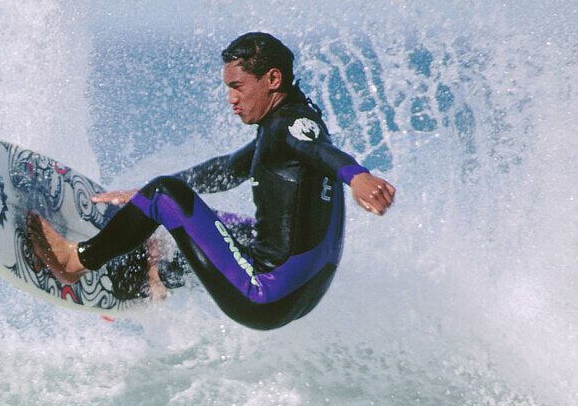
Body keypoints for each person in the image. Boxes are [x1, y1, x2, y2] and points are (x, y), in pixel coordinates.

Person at [28, 32, 396, 330]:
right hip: (302, 297)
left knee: (165, 194)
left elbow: (320, 152)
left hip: (263, 295)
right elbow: (226, 168)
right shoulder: (285, 124)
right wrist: (140, 200)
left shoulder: (292, 127)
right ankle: (157, 278)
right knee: (215, 223)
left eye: (238, 87)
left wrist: (357, 176)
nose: (232, 100)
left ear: (272, 79)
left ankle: (75, 262)